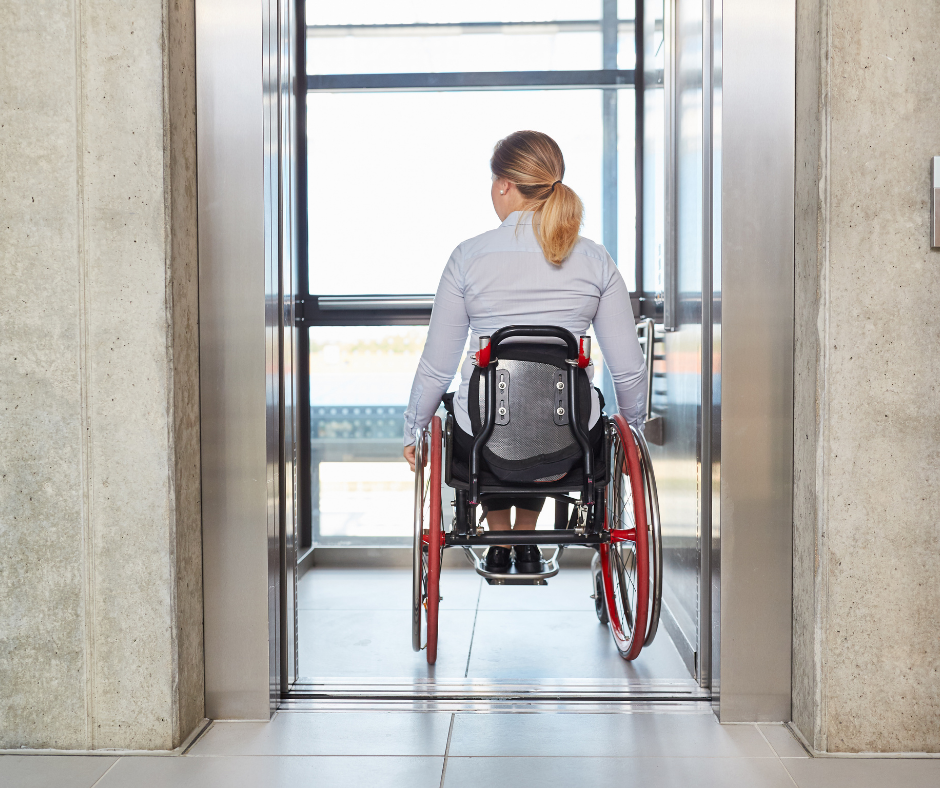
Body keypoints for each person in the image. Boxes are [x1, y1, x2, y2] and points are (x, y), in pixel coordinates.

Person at [403, 130, 647, 573]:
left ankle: (500, 539)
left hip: (482, 436)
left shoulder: (468, 257)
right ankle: (527, 538)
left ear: (503, 184)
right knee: (547, 402)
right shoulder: (593, 259)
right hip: (569, 437)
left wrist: (413, 429)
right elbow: (628, 370)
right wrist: (634, 434)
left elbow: (437, 365)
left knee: (493, 406)